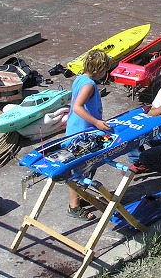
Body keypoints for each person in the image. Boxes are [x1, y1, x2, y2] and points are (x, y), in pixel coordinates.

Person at [65, 50, 112, 221]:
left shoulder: (81, 78)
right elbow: (78, 107)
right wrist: (97, 122)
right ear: (99, 69)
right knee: (80, 169)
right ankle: (74, 206)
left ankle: (79, 196)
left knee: (84, 168)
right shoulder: (89, 85)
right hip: (81, 133)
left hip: (78, 130)